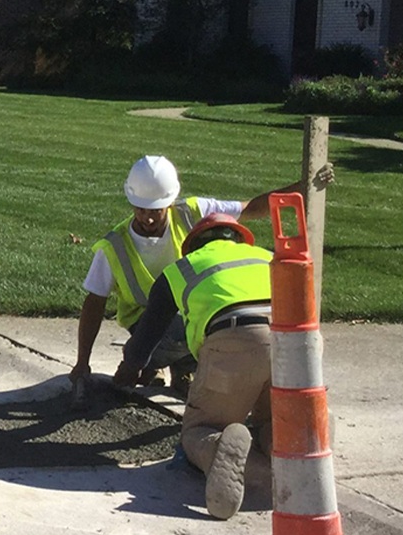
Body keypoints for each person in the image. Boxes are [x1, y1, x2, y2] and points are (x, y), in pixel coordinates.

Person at [70, 155, 323, 395]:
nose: (147, 218)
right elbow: (94, 303)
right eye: (141, 210)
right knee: (192, 325)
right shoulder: (114, 246)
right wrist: (84, 363)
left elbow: (251, 208)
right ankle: (159, 363)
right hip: (146, 327)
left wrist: (303, 187)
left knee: (210, 313)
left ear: (169, 202)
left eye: (155, 211)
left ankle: (183, 368)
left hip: (188, 311)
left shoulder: (192, 212)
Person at [114, 215, 275, 520]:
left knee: (200, 429)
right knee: (275, 420)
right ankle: (294, 441)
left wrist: (130, 369)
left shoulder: (182, 269)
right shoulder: (267, 257)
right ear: (238, 240)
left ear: (192, 247)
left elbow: (148, 334)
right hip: (297, 341)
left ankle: (217, 449)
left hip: (235, 341)